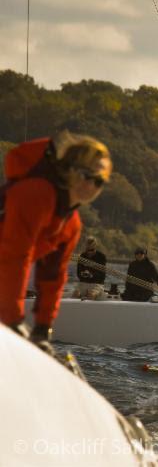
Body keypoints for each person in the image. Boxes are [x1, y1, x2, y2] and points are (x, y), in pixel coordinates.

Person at [0, 132, 112, 354]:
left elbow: (52, 277)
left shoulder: (71, 224)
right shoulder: (37, 193)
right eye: (85, 175)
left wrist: (42, 330)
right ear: (68, 170)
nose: (90, 185)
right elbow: (15, 256)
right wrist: (12, 322)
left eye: (99, 181)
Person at [72, 236, 107, 300]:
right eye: (88, 250)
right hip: (83, 283)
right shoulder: (82, 256)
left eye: (92, 250)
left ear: (95, 247)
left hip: (96, 284)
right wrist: (82, 274)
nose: (89, 252)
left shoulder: (102, 257)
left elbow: (102, 276)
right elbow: (78, 274)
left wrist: (91, 275)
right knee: (75, 294)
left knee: (92, 295)